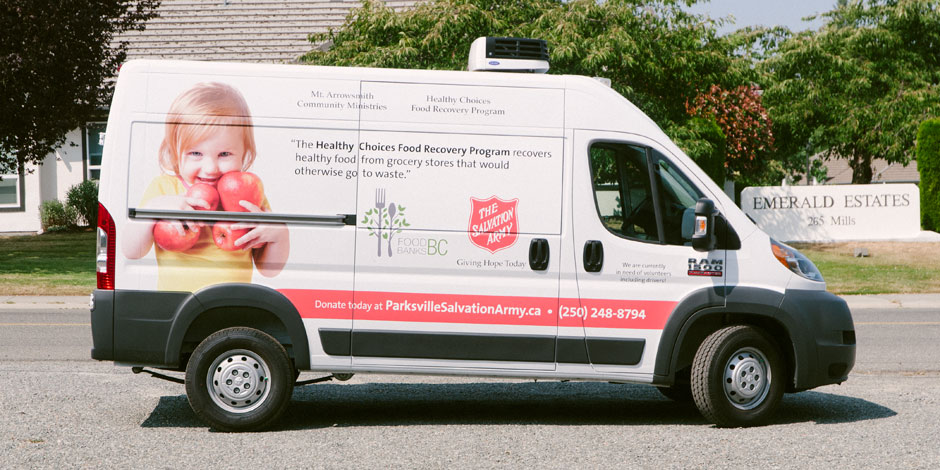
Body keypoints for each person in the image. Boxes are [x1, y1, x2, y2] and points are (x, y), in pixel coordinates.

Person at [122, 82, 289, 291]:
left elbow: (269, 270)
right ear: (175, 153)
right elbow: (131, 250)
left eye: (225, 154)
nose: (210, 168)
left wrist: (279, 235)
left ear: (245, 152)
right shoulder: (164, 190)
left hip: (230, 306)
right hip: (176, 305)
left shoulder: (247, 197)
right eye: (196, 153)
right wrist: (154, 210)